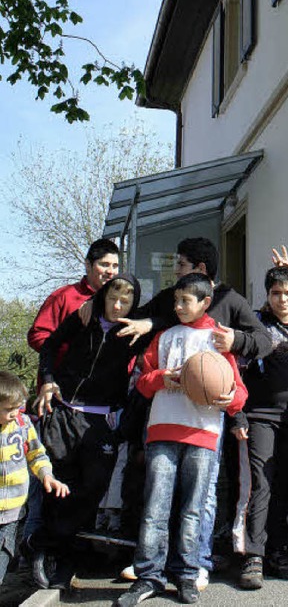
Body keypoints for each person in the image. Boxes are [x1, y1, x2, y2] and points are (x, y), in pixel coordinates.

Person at [89, 237, 271, 589]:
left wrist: (237, 343)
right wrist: (137, 322)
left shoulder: (230, 304)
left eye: (181, 267)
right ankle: (155, 565)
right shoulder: (171, 316)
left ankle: (195, 563)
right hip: (164, 418)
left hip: (206, 420)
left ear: (200, 272)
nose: (175, 277)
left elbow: (262, 341)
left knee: (201, 498)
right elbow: (143, 325)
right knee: (158, 496)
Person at [115, 273, 248, 607]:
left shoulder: (219, 341)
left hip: (203, 435)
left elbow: (239, 393)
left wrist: (228, 399)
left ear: (205, 302)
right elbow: (143, 383)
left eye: (185, 301)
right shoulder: (165, 337)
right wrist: (164, 377)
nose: (177, 306)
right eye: (175, 301)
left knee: (193, 510)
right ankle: (149, 577)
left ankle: (187, 575)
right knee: (155, 509)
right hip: (162, 430)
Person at [25, 275, 150, 591]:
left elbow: (166, 312)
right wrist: (49, 379)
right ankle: (55, 555)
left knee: (93, 486)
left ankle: (52, 542)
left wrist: (148, 324)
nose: (117, 305)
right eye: (112, 298)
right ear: (103, 296)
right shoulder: (83, 317)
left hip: (103, 418)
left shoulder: (133, 329)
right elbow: (49, 346)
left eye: (126, 300)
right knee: (59, 483)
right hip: (65, 411)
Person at [233, 265, 288, 590]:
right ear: (267, 296)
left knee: (286, 487)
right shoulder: (256, 325)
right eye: (276, 293)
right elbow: (236, 370)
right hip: (258, 418)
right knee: (260, 486)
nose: (283, 299)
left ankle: (278, 552)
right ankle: (253, 555)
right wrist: (238, 416)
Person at [0, 371, 69, 585]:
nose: (15, 413)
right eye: (9, 409)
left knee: (3, 554)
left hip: (12, 511)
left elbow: (36, 454)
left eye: (18, 408)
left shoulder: (23, 425)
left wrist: (46, 475)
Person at [28, 238, 120, 355]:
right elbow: (37, 335)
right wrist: (72, 353)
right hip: (63, 371)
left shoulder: (122, 301)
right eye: (104, 264)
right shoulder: (63, 296)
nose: (111, 271)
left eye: (115, 266)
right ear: (88, 265)